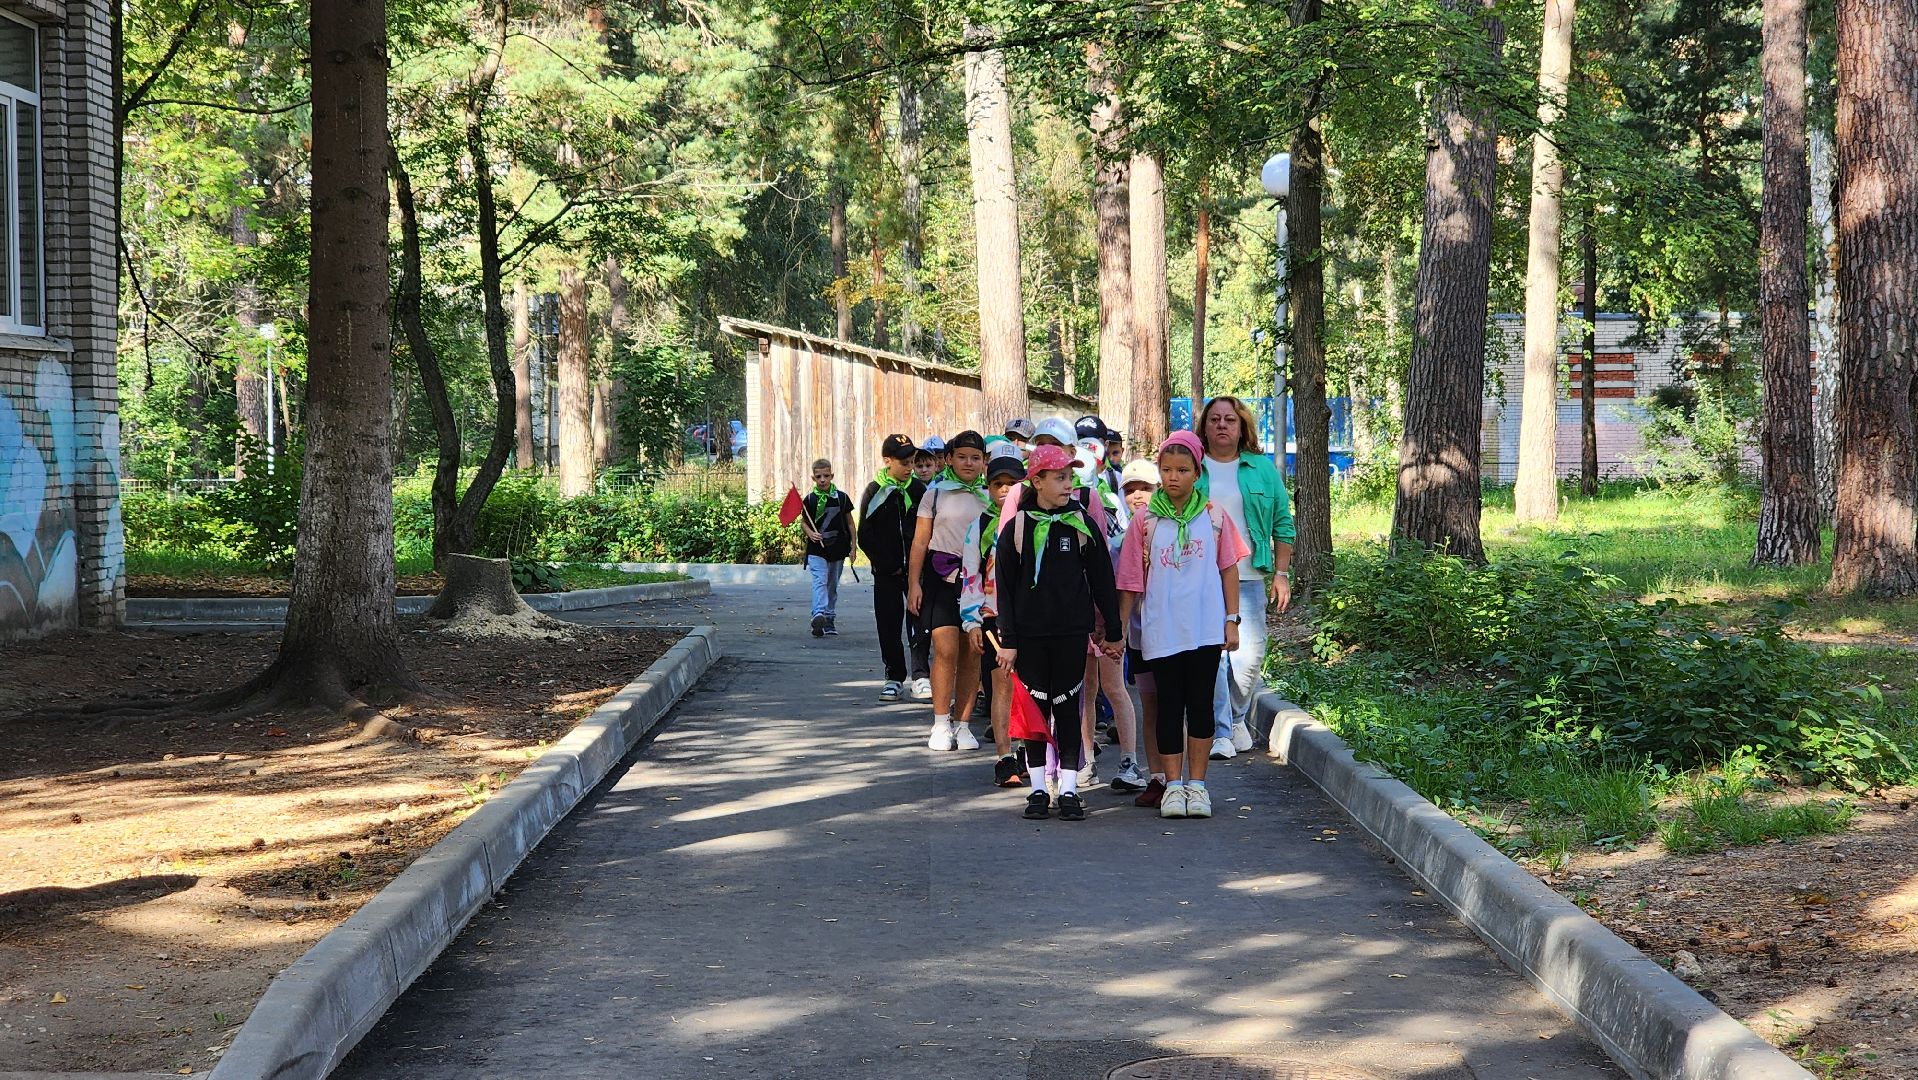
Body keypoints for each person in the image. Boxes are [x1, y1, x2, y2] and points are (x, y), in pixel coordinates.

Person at [1116, 431, 1249, 819]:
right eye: (1167, 469)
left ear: (1197, 473)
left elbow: (1228, 570)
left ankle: (1198, 786)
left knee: (1201, 705)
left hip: (1206, 629)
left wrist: (1232, 621)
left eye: (1182, 470)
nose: (1173, 477)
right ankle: (1173, 787)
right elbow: (1129, 580)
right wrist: (1121, 629)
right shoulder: (1145, 520)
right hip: (1161, 629)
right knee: (1168, 707)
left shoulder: (1214, 517)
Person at [994, 444, 1124, 821]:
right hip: (1030, 636)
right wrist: (1009, 640)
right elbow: (1004, 586)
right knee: (1035, 712)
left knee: (1068, 709)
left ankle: (1067, 788)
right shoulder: (1017, 526)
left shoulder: (1081, 523)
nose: (1070, 484)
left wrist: (1112, 629)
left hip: (1071, 633)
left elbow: (1102, 577)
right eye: (1060, 477)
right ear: (1036, 481)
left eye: (1071, 476)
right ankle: (1037, 787)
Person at [1196, 395, 1295, 759]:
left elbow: (1283, 522)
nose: (1222, 425)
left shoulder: (1261, 469)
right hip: (1203, 576)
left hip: (1250, 575)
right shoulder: (1193, 466)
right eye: (1215, 419)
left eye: (1230, 420)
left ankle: (1236, 718)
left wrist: (1281, 573)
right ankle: (1221, 731)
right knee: (1216, 654)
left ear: (1242, 429)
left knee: (1248, 656)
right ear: (1205, 427)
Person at [909, 430, 991, 752]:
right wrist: (914, 583)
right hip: (941, 580)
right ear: (949, 460)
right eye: (962, 457)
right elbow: (919, 541)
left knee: (973, 652)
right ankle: (941, 723)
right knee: (945, 650)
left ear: (984, 462)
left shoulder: (991, 496)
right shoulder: (935, 494)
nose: (968, 463)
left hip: (978, 583)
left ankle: (964, 724)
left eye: (975, 458)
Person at [962, 447, 1028, 787]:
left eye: (1012, 483)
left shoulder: (1035, 520)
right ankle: (1005, 756)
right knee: (1001, 686)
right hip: (995, 616)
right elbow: (970, 575)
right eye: (997, 484)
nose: (1004, 490)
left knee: (1028, 690)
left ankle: (1027, 751)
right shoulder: (981, 526)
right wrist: (971, 620)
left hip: (1033, 617)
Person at [859, 434, 932, 702]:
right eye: (904, 462)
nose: (910, 467)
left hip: (917, 573)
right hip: (887, 574)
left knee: (920, 623)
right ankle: (893, 676)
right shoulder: (874, 491)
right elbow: (865, 534)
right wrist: (888, 564)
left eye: (912, 461)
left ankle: (921, 675)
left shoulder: (920, 491)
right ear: (887, 461)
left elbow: (927, 531)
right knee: (888, 625)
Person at [1117, 458, 1169, 807]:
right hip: (1140, 635)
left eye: (1145, 489)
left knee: (1173, 705)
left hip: (1175, 632)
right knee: (1151, 705)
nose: (1137, 495)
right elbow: (1126, 584)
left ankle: (1181, 779)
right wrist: (1118, 630)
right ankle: (1157, 777)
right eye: (1130, 489)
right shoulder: (1120, 535)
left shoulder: (1176, 524)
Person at [801, 459, 854, 637]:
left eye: (826, 476)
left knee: (832, 584)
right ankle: (818, 613)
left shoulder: (842, 498)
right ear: (813, 478)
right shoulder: (810, 499)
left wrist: (854, 546)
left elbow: (850, 523)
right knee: (819, 580)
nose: (822, 480)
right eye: (818, 477)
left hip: (837, 547)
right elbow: (804, 522)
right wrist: (810, 533)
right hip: (817, 549)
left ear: (832, 475)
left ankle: (829, 618)